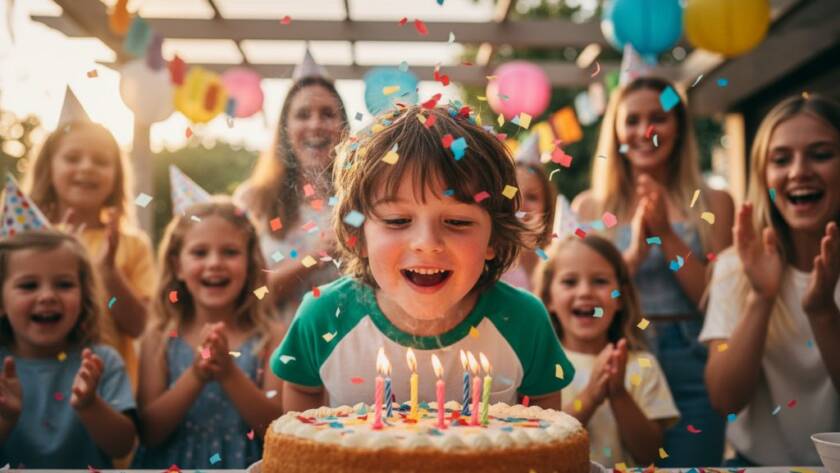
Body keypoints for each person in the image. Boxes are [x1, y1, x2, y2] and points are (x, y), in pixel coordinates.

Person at [271, 104, 575, 413]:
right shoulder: (322, 317)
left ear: (493, 239)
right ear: (357, 234)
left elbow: (547, 421)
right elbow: (300, 389)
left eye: (457, 222)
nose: (427, 244)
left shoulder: (526, 322)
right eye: (398, 221)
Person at [572, 76, 733, 466]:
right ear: (616, 130)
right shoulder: (589, 208)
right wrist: (631, 260)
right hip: (621, 355)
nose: (645, 131)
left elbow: (720, 305)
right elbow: (584, 302)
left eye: (658, 118)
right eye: (632, 120)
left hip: (692, 354)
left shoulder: (715, 201)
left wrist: (667, 236)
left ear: (678, 127)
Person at [701, 94, 840, 466]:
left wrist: (823, 312)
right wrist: (761, 297)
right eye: (781, 159)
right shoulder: (735, 266)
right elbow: (724, 400)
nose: (799, 171)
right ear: (764, 176)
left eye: (821, 154)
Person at [131, 199, 285, 469]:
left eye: (230, 252)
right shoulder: (158, 337)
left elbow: (276, 431)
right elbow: (149, 432)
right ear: (177, 265)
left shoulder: (273, 337)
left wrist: (228, 373)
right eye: (200, 253)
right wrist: (197, 375)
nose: (215, 263)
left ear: (250, 263)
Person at [24, 120, 155, 390]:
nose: (86, 167)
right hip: (32, 386)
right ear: (49, 168)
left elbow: (140, 326)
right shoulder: (26, 237)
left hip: (109, 390)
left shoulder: (132, 245)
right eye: (72, 158)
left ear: (117, 176)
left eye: (100, 161)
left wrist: (108, 272)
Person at [534, 234, 678, 466]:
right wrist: (590, 397)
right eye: (570, 282)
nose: (585, 292)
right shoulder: (538, 366)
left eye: (600, 281)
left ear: (620, 297)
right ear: (549, 297)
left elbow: (651, 453)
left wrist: (618, 393)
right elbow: (544, 445)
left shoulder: (642, 365)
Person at [0, 231, 136, 468]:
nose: (47, 296)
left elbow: (122, 445)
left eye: (64, 284)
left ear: (84, 296)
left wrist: (90, 405)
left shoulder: (101, 362)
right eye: (29, 285)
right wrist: (4, 419)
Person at [235, 76, 349, 324]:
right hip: (274, 354)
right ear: (285, 128)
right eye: (303, 114)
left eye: (328, 114)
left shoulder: (362, 202)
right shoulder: (254, 201)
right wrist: (314, 257)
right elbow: (243, 298)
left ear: (343, 126)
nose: (316, 124)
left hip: (347, 352)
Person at [500, 136, 557, 291]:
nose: (522, 204)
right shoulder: (492, 262)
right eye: (514, 194)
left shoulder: (557, 258)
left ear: (547, 206)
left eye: (532, 197)